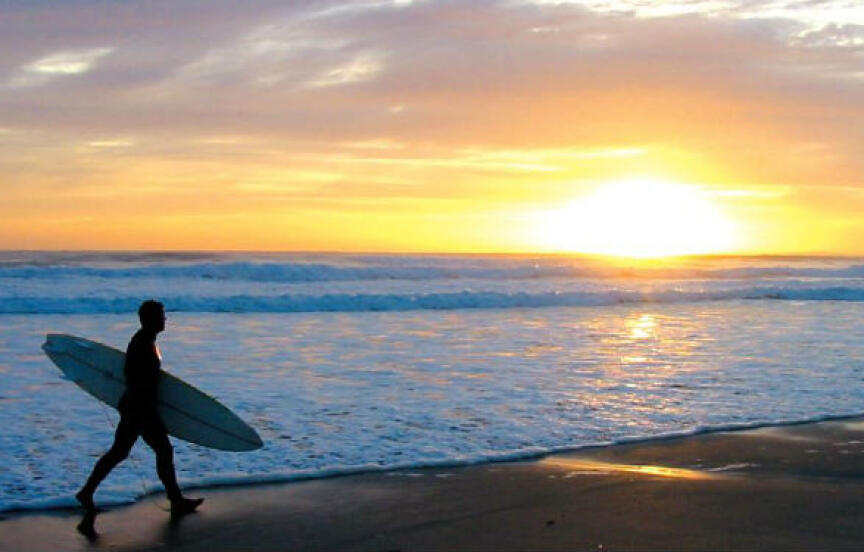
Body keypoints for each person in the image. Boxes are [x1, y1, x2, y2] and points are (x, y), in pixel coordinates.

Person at [76, 300, 203, 515]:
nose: (164, 319)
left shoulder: (145, 340)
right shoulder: (142, 343)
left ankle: (86, 492)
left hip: (135, 407)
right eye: (161, 316)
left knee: (121, 452)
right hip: (139, 408)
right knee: (161, 450)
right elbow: (135, 380)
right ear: (149, 319)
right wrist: (147, 413)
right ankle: (176, 500)